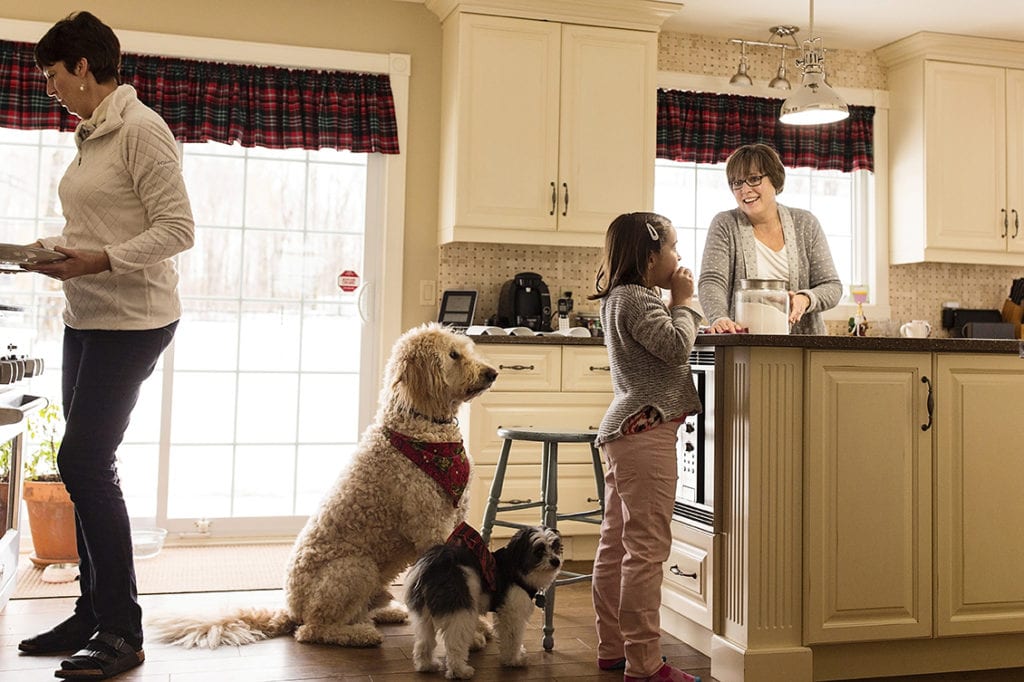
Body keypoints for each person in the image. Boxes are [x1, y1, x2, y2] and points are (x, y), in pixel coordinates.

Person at [17, 11, 194, 681]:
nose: (50, 86)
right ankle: (92, 612)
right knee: (86, 462)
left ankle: (123, 630)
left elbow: (177, 229)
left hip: (135, 318)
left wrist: (100, 261)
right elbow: (100, 220)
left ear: (83, 68)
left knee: (84, 460)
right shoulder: (91, 134)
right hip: (85, 315)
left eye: (54, 74)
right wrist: (56, 253)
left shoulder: (141, 130)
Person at [588, 213, 702, 682]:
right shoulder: (639, 301)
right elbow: (677, 347)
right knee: (647, 549)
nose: (678, 258)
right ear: (651, 256)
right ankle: (645, 663)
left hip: (626, 435)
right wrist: (686, 301)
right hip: (645, 434)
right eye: (673, 248)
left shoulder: (619, 298)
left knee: (616, 544)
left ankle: (612, 647)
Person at [698, 143, 842, 334]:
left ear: (775, 179)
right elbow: (712, 280)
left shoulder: (805, 223)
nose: (745, 190)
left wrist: (805, 299)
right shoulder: (725, 224)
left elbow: (832, 286)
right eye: (737, 183)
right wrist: (720, 318)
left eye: (754, 179)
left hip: (803, 345)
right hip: (743, 346)